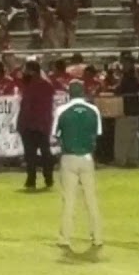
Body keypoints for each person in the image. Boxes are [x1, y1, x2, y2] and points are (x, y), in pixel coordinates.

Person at [53, 81, 103, 250]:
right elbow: (97, 134)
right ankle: (97, 237)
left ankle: (65, 238)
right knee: (91, 199)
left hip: (69, 157)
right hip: (87, 157)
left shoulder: (62, 110)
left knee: (68, 200)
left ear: (69, 93)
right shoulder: (93, 110)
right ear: (83, 92)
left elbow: (55, 134)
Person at [17, 61, 56, 190]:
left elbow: (26, 107)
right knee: (45, 153)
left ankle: (31, 180)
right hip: (43, 124)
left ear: (31, 71)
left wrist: (21, 124)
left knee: (30, 155)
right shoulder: (47, 85)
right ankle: (48, 178)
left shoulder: (30, 86)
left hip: (30, 124)